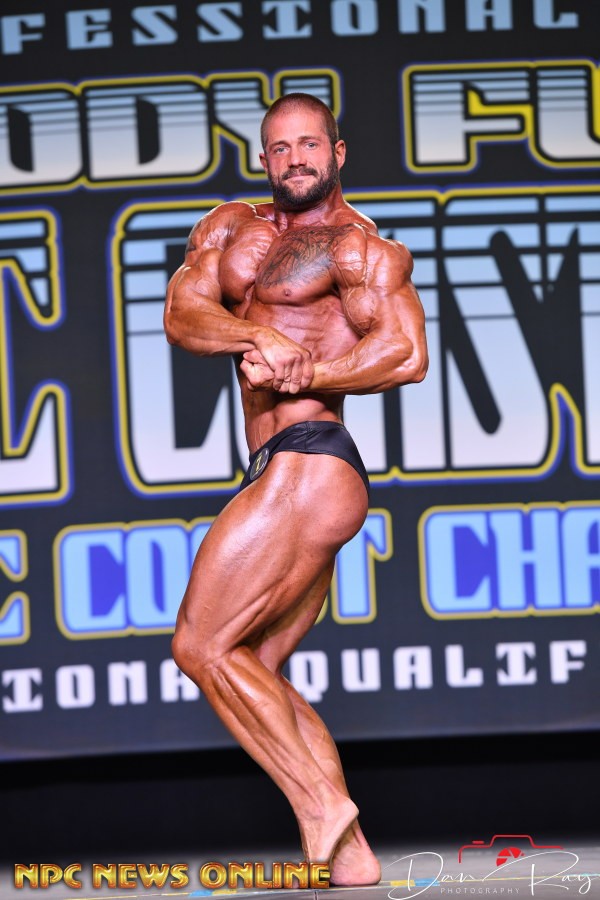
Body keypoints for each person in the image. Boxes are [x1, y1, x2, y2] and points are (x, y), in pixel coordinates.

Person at [163, 93, 428, 885]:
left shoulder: (359, 248)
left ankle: (321, 807)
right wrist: (256, 333)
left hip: (312, 463)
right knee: (255, 667)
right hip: (278, 465)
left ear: (337, 154)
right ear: (264, 159)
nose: (296, 160)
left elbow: (406, 353)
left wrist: (310, 371)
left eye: (310, 145)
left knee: (201, 645)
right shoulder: (230, 228)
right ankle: (350, 859)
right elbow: (184, 315)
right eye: (280, 148)